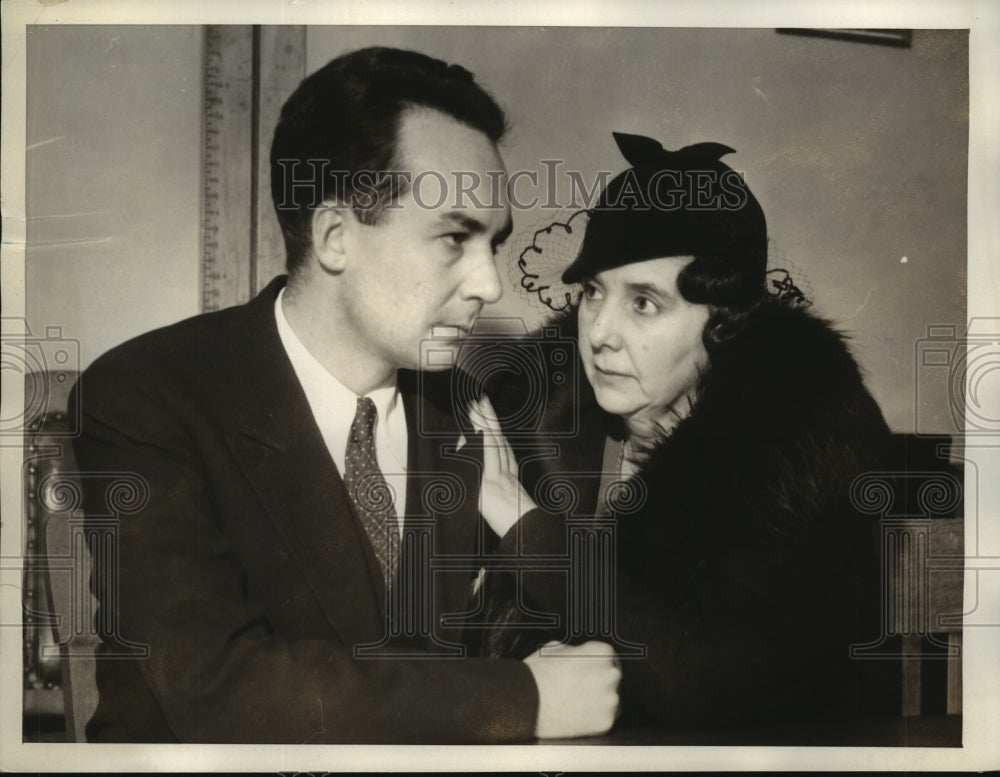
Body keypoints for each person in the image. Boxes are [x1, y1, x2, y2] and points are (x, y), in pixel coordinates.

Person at [70, 46, 619, 743]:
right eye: (455, 236)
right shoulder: (147, 398)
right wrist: (525, 698)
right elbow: (218, 689)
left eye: (494, 243)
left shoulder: (466, 409)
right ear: (335, 236)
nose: (491, 285)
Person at [475, 131, 893, 730]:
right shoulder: (539, 414)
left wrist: (528, 529)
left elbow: (709, 687)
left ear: (723, 322)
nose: (599, 334)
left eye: (644, 303)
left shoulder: (797, 438)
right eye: (594, 293)